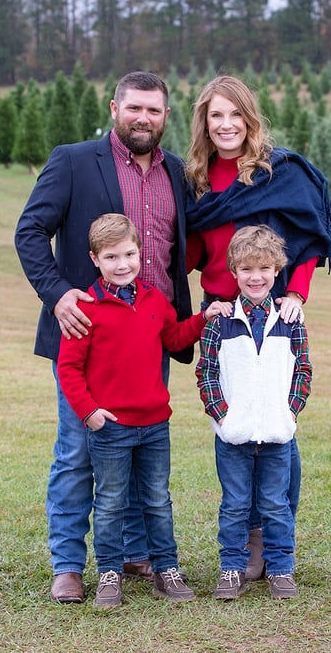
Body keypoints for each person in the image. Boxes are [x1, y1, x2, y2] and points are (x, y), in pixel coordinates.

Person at [15, 71, 194, 604]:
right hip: (89, 336)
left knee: (140, 452)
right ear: (114, 107)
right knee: (78, 452)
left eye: (155, 111)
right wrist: (58, 293)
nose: (144, 118)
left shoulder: (178, 173)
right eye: (135, 108)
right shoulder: (73, 161)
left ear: (166, 116)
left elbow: (186, 248)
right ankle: (69, 564)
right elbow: (30, 230)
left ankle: (137, 553)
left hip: (152, 339)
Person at [185, 74, 331, 581]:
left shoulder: (279, 172)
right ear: (204, 123)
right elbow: (188, 250)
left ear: (251, 119)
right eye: (216, 116)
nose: (226, 125)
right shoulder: (197, 181)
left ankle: (272, 543)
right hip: (221, 314)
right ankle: (250, 542)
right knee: (235, 431)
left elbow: (308, 239)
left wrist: (296, 294)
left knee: (277, 430)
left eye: (236, 114)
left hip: (274, 309)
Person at [57, 214, 231, 607]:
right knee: (111, 501)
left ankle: (165, 568)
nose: (123, 264)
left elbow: (173, 337)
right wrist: (90, 413)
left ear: (141, 254)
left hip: (154, 424)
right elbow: (68, 368)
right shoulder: (88, 308)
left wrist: (203, 318)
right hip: (110, 427)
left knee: (156, 499)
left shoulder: (154, 299)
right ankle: (108, 574)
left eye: (130, 254)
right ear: (95, 259)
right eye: (112, 257)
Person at [196, 225, 312, 600]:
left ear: (276, 271)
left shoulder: (290, 320)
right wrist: (222, 416)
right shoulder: (221, 321)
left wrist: (289, 413)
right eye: (246, 269)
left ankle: (281, 569)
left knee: (276, 505)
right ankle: (232, 567)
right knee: (234, 505)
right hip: (234, 438)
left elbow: (302, 371)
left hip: (277, 435)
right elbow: (207, 372)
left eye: (263, 268)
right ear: (234, 273)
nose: (255, 277)